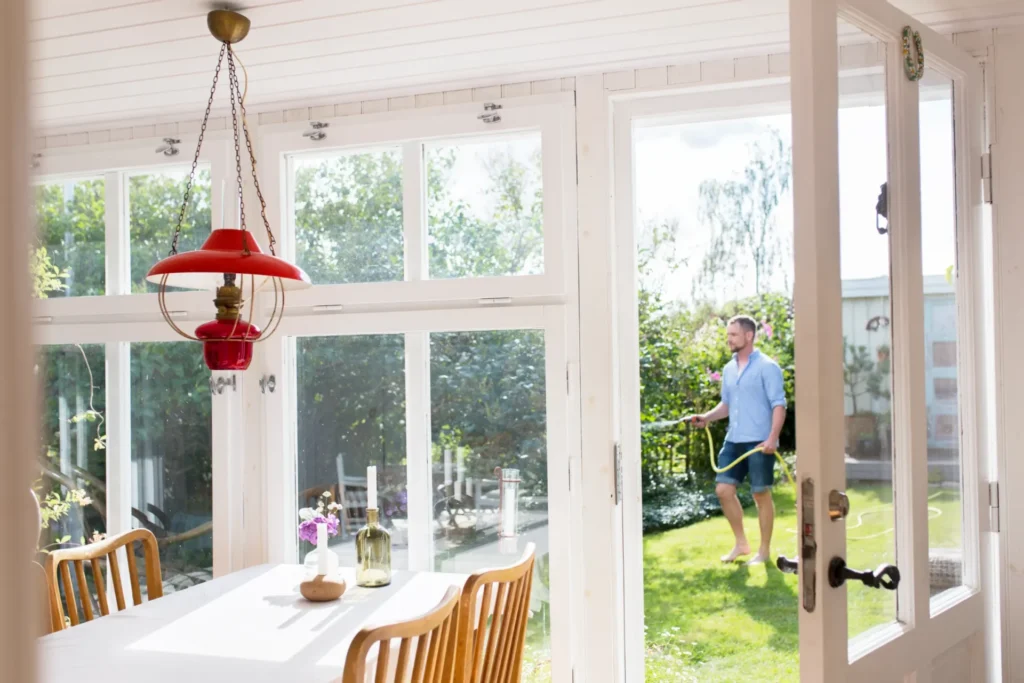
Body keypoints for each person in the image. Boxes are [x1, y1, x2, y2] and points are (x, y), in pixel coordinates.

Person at [687, 315, 787, 565]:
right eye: (728, 334)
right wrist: (707, 418)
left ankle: (763, 552)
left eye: (733, 334)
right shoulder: (729, 369)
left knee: (760, 494)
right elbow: (727, 405)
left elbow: (779, 405)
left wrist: (772, 438)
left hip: (759, 443)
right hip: (734, 440)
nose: (728, 339)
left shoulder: (767, 367)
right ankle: (741, 544)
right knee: (723, 490)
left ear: (749, 336)